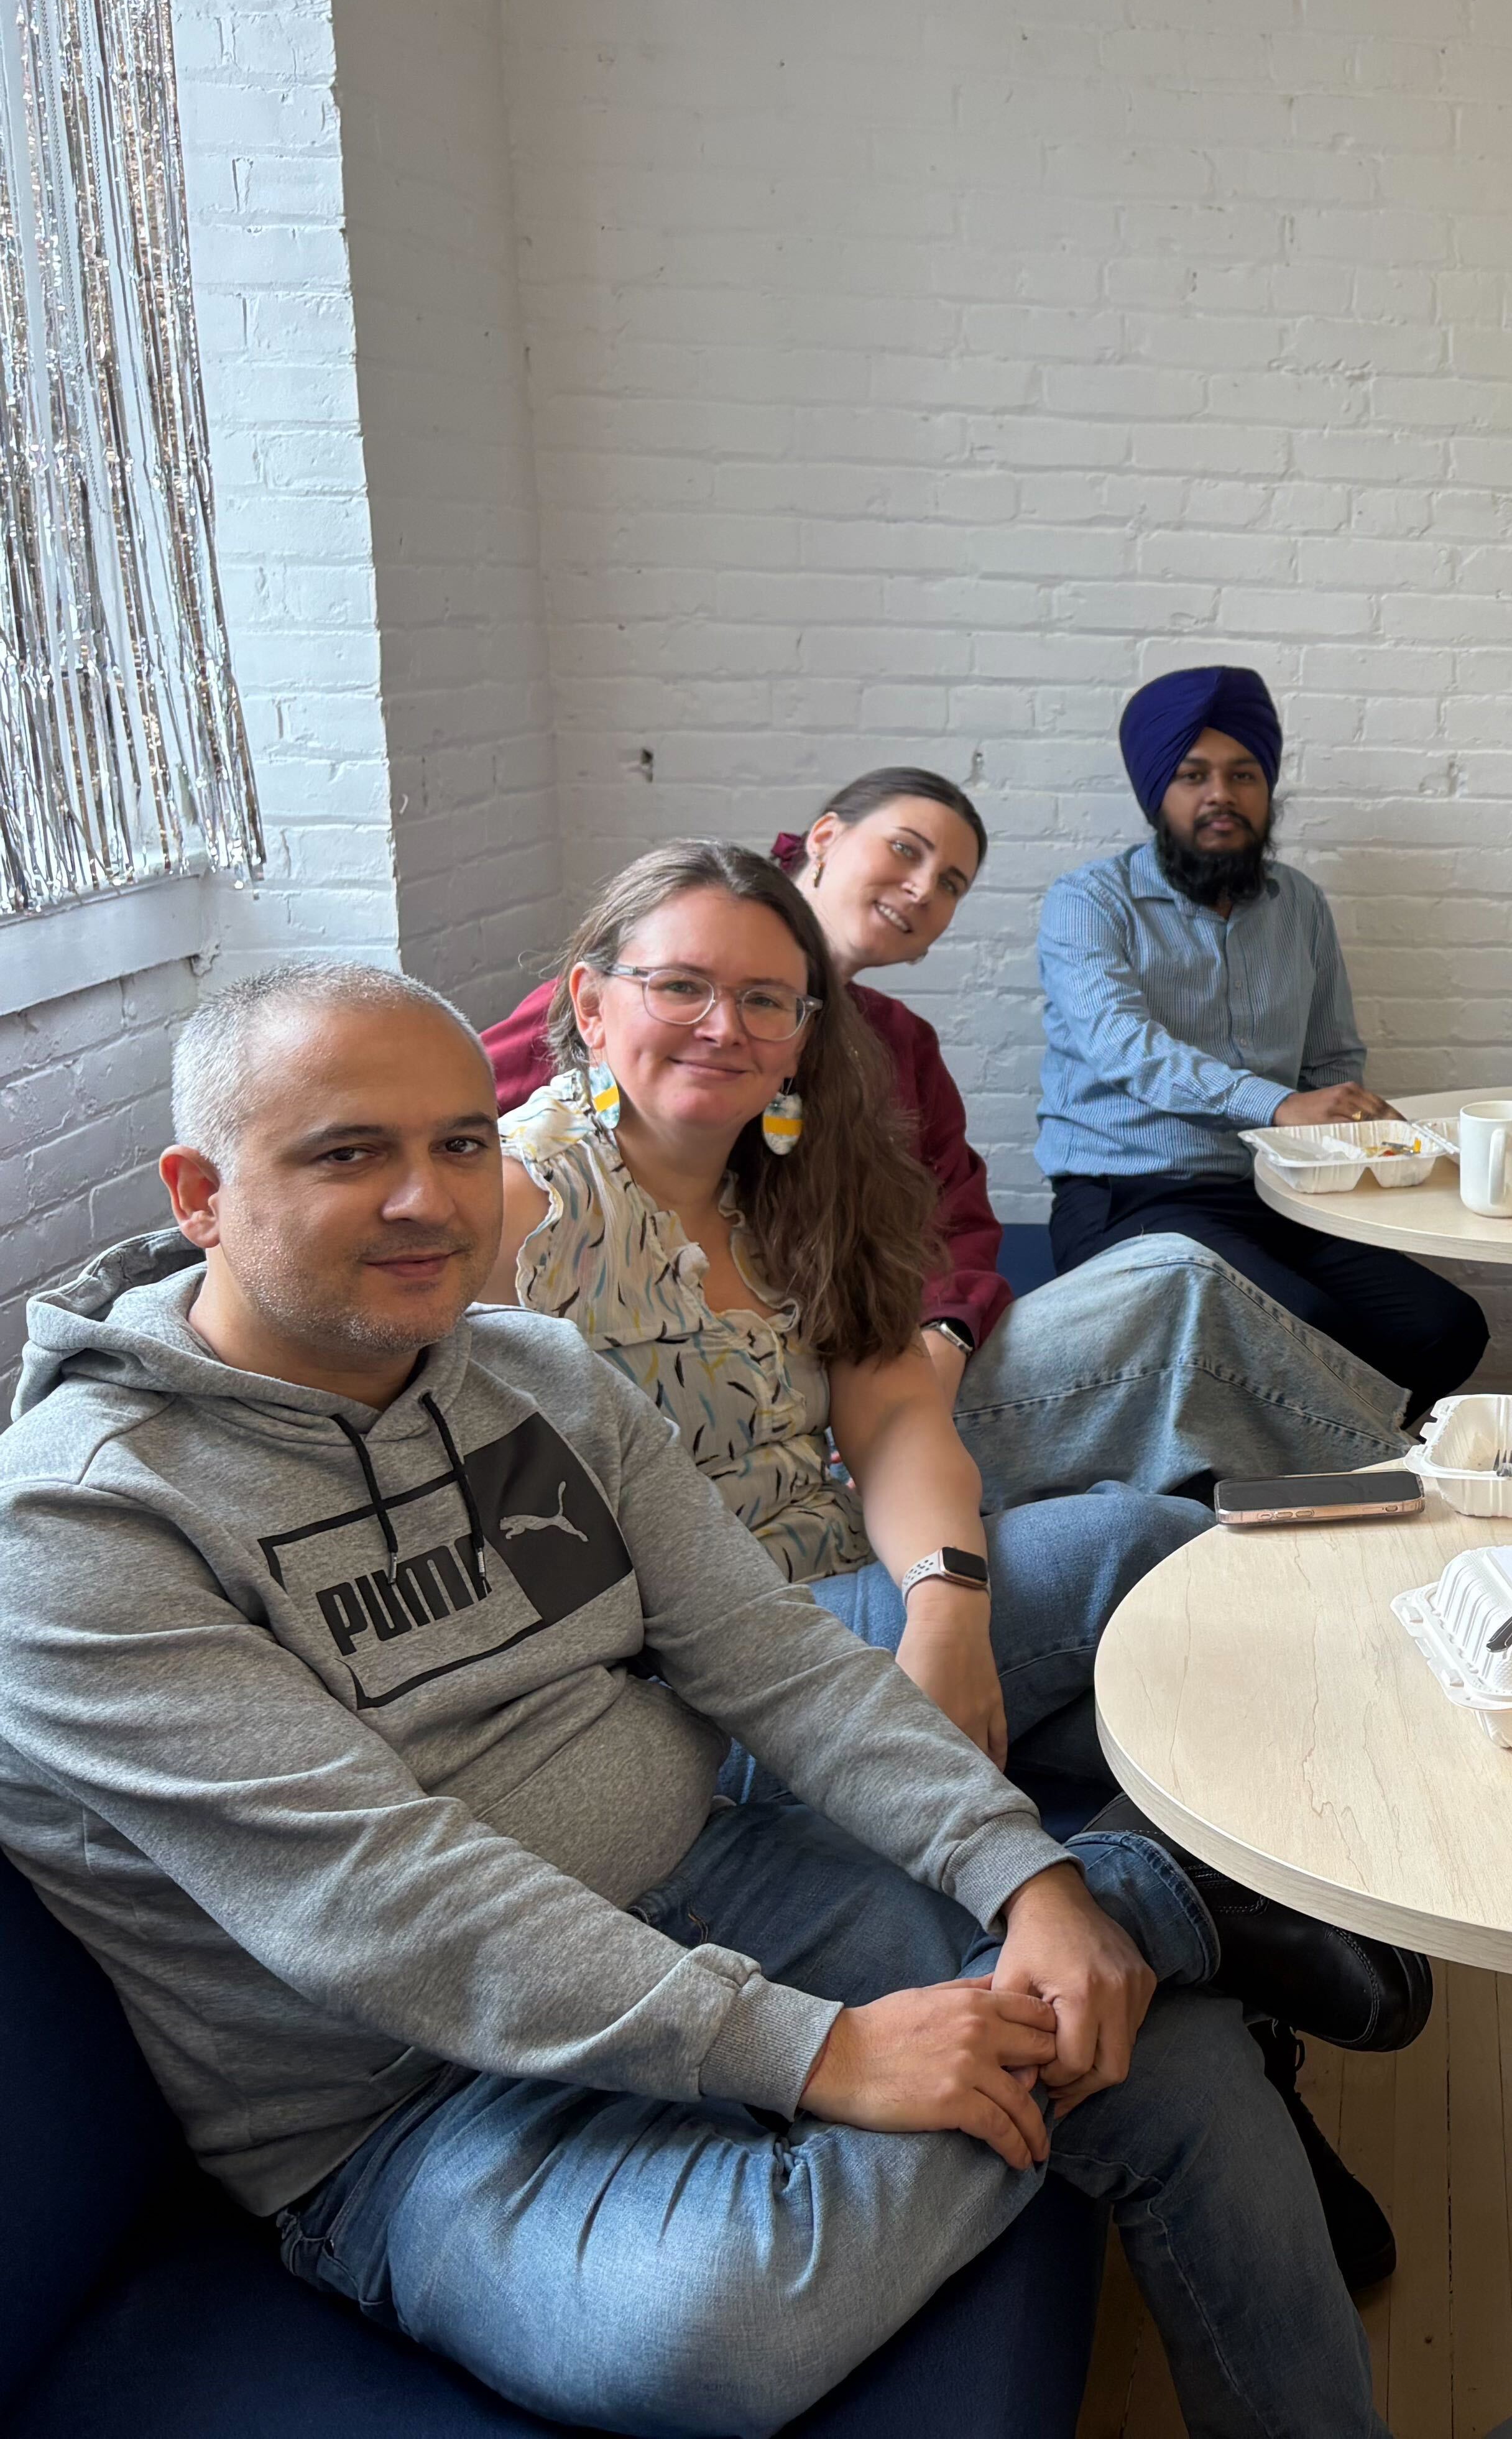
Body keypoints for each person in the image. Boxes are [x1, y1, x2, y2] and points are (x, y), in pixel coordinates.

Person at [0, 964, 1388, 2437]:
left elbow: (772, 1659)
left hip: (709, 1878)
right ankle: (1165, 1901)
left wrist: (1021, 1875)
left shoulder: (530, 1379)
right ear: (200, 1192)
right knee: (711, 2334)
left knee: (1148, 2047)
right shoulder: (83, 1525)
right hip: (409, 2105)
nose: (429, 1199)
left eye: (463, 1143)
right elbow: (376, 1899)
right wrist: (818, 2051)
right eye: (350, 1153)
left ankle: (1122, 1929)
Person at [496, 841, 1426, 2284]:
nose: (724, 1028)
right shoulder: (524, 1202)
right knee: (1153, 1543)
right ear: (590, 1002)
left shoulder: (784, 1178)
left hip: (853, 1607)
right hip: (723, 1680)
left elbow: (894, 1409)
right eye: (680, 987)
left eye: (765, 1000)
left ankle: (1228, 2018)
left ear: (809, 1029)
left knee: (1164, 1665)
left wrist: (949, 1601)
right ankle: (1209, 1913)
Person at [480, 768, 1409, 1515]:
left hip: (883, 1362)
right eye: (906, 851)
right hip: (729, 1415)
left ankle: (1399, 1497)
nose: (924, 889)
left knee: (1182, 1283)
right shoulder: (607, 1050)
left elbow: (959, 1225)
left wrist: (943, 1330)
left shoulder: (899, 1047)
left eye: (952, 883)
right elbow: (466, 1152)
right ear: (827, 838)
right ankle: (1411, 1500)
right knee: (1175, 1320)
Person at [1040, 669, 1490, 1421]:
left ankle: (1338, 1467)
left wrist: (1356, 1139)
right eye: (1193, 776)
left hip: (1278, 1192)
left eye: (1242, 774)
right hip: (1129, 1195)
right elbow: (1124, 1045)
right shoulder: (1090, 902)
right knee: (1310, 1326)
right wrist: (1279, 1106)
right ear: (1158, 795)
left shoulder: (1300, 904)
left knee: (1443, 1328)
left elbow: (1333, 1058)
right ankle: (1322, 1483)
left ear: (1268, 789)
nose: (1221, 794)